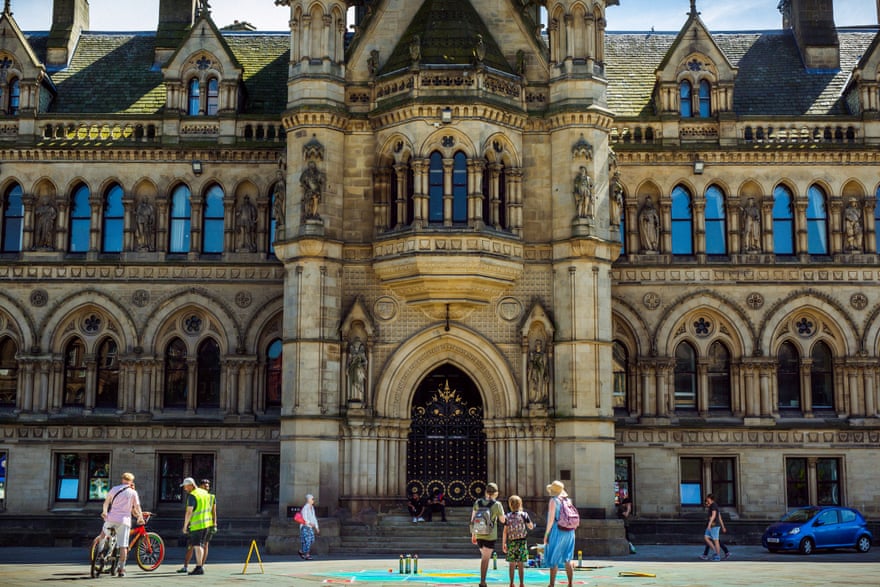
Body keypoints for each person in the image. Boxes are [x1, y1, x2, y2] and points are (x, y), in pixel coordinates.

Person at [92, 472, 145, 578]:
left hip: (111, 518)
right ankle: (121, 569)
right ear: (131, 481)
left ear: (122, 480)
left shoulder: (114, 489)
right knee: (123, 546)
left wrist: (104, 512)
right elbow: (137, 507)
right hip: (124, 521)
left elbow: (106, 502)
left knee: (103, 534)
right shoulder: (133, 492)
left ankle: (100, 551)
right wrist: (140, 517)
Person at [470, 482, 505, 587]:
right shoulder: (497, 504)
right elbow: (502, 520)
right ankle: (482, 581)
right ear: (496, 493)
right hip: (490, 535)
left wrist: (473, 535)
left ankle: (483, 580)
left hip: (479, 534)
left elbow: (473, 519)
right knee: (485, 559)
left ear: (486, 492)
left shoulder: (478, 502)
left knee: (484, 557)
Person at [178, 479, 216, 573]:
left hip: (197, 524)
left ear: (191, 485)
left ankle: (199, 567)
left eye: (186, 487)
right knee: (201, 545)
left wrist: (185, 526)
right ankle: (199, 566)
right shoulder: (205, 493)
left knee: (197, 545)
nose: (185, 489)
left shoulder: (192, 495)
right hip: (207, 523)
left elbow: (189, 512)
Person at [544, 480, 575, 587]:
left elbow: (551, 520)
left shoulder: (553, 501)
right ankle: (570, 583)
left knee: (554, 557)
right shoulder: (568, 500)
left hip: (558, 530)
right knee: (568, 558)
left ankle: (552, 584)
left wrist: (546, 535)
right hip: (570, 531)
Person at [502, 494, 534, 587]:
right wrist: (532, 524)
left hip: (511, 541)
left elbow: (505, 532)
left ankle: (511, 583)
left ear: (510, 505)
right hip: (522, 541)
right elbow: (530, 527)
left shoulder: (507, 516)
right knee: (520, 564)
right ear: (520, 504)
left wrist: (504, 544)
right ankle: (521, 583)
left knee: (511, 563)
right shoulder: (524, 515)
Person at [702, 493, 726, 561]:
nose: (707, 500)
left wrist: (709, 524)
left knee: (716, 541)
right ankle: (715, 552)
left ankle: (717, 556)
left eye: (707, 498)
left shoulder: (713, 505)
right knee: (706, 537)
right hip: (712, 525)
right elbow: (719, 517)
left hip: (714, 525)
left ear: (710, 499)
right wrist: (723, 527)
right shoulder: (713, 506)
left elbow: (714, 515)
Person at [298, 493, 320, 560]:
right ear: (309, 500)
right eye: (312, 499)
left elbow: (314, 517)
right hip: (305, 526)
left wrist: (316, 527)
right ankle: (307, 555)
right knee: (307, 540)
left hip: (310, 527)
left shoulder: (312, 508)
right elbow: (304, 517)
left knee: (311, 540)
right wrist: (309, 523)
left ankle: (302, 551)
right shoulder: (305, 507)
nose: (313, 500)